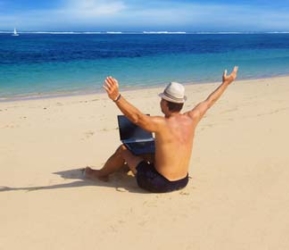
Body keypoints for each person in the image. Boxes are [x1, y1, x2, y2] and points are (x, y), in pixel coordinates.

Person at [84, 66, 238, 193]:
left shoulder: (161, 123)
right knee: (151, 151)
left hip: (160, 183)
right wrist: (226, 83)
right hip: (183, 181)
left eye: (162, 99)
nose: (161, 102)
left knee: (124, 149)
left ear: (165, 103)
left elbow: (137, 118)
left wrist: (116, 97)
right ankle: (122, 168)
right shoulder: (192, 118)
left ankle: (99, 174)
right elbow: (209, 101)